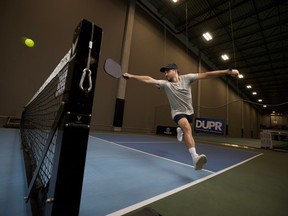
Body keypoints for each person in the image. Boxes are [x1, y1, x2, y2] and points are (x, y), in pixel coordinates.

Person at [123, 64, 239, 170]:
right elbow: (149, 79)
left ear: (175, 71)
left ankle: (180, 130)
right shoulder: (166, 84)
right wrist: (132, 76)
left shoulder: (187, 78)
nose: (165, 74)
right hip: (177, 113)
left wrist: (227, 71)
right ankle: (195, 158)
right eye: (164, 72)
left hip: (190, 112)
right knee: (187, 128)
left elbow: (207, 74)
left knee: (186, 129)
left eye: (167, 71)